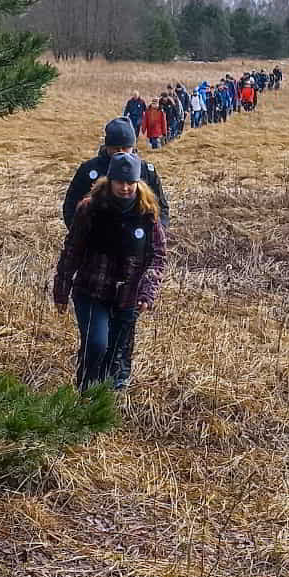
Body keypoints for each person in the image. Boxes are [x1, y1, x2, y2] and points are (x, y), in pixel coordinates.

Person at [53, 153, 167, 391]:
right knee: (96, 345)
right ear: (110, 180)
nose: (125, 188)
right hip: (91, 291)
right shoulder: (90, 209)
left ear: (138, 182)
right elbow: (72, 250)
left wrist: (148, 291)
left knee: (115, 354)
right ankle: (84, 394)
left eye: (130, 182)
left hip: (128, 297)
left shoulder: (147, 213)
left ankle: (103, 400)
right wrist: (61, 289)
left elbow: (158, 256)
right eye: (119, 182)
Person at [62, 117, 169, 231]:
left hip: (137, 239)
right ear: (107, 146)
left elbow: (161, 207)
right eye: (116, 148)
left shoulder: (145, 171)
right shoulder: (89, 170)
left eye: (125, 148)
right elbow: (71, 205)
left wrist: (156, 234)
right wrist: (80, 235)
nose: (121, 152)